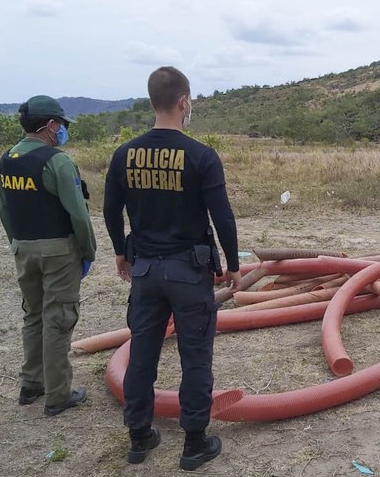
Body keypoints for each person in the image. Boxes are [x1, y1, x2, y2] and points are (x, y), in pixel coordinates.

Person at [103, 66, 241, 469]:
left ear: (152, 102)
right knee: (195, 356)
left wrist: (119, 251)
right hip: (188, 272)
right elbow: (223, 217)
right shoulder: (201, 156)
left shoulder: (124, 154)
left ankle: (139, 437)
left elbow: (111, 210)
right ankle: (194, 443)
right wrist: (233, 265)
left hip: (145, 272)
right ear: (183, 102)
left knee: (142, 355)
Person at [0, 95, 96, 417]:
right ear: (51, 125)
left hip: (23, 248)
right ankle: (58, 394)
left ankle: (31, 383)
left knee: (33, 315)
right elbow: (78, 214)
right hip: (57, 251)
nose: (64, 131)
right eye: (63, 125)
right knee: (59, 319)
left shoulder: (7, 159)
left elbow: (4, 210)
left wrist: (18, 243)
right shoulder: (57, 161)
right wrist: (87, 250)